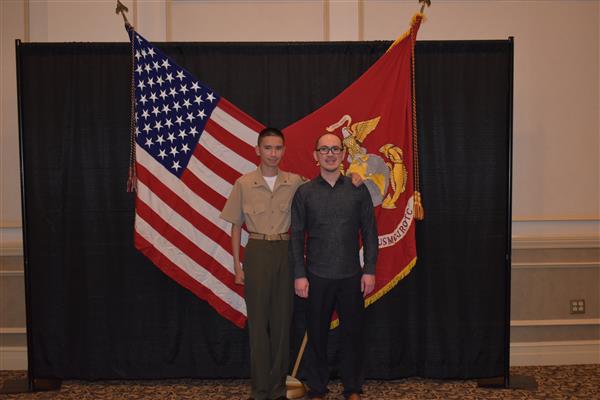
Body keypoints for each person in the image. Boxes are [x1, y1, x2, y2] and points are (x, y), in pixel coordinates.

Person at [289, 133, 378, 400]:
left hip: (351, 275)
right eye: (324, 149)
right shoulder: (304, 193)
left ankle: (353, 387)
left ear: (343, 154)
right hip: (316, 276)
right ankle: (317, 387)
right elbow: (296, 237)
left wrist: (370, 269)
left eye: (335, 149)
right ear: (315, 156)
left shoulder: (357, 188)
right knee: (316, 336)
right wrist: (299, 275)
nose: (330, 154)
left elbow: (370, 233)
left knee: (353, 335)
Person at [220, 127, 302, 400]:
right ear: (257, 150)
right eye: (268, 148)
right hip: (256, 252)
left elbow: (320, 192)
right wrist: (237, 266)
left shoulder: (295, 182)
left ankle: (278, 388)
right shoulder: (244, 184)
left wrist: (352, 177)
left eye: (278, 148)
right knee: (258, 324)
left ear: (284, 151)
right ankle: (260, 389)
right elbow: (235, 227)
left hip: (285, 251)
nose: (273, 153)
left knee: (282, 323)